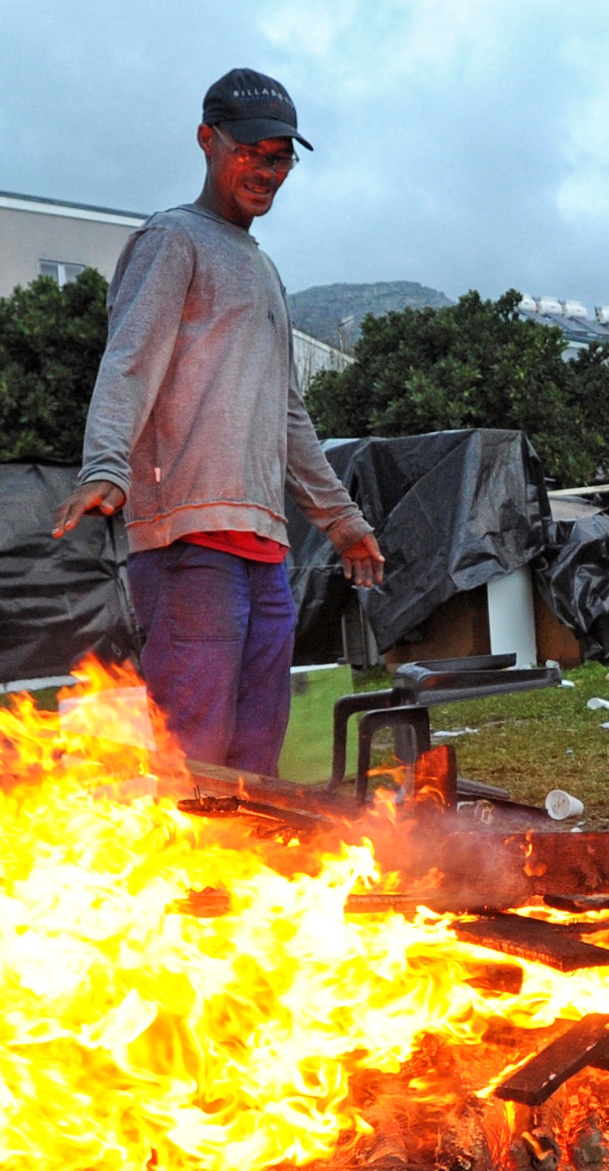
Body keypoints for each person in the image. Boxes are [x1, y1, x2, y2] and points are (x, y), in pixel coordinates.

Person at [53, 69, 384, 777]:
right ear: (209, 140)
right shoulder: (172, 241)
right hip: (189, 543)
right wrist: (106, 464)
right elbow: (130, 360)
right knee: (197, 751)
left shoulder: (262, 269)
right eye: (252, 151)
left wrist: (341, 519)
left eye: (281, 158)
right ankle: (184, 885)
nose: (267, 171)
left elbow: (286, 410)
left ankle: (242, 884)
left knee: (256, 753)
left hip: (265, 549)